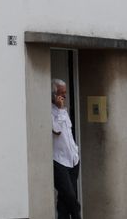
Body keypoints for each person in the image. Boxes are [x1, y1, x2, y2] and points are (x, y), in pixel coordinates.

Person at [52, 78, 81, 219]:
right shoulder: (52, 112)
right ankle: (77, 214)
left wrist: (76, 150)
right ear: (53, 94)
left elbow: (68, 134)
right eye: (60, 93)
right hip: (59, 161)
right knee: (69, 195)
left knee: (64, 201)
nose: (63, 96)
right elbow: (56, 131)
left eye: (65, 93)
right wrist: (58, 109)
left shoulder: (64, 110)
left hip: (73, 160)